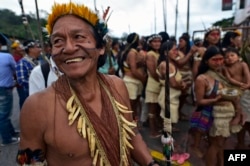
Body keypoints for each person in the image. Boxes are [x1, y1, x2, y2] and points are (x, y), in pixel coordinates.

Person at [16, 2, 159, 166]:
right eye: (57, 41)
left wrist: (150, 163)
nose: (68, 48)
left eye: (79, 37)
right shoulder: (36, 107)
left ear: (100, 48)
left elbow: (131, 133)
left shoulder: (117, 86)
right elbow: (26, 162)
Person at [190, 46, 242, 166]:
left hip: (227, 114)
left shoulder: (223, 73)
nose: (218, 62)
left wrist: (238, 111)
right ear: (206, 61)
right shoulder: (202, 78)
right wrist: (215, 99)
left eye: (220, 59)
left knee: (221, 145)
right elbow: (199, 101)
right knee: (216, 145)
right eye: (214, 59)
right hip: (215, 116)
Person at [223, 47, 250, 149]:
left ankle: (241, 143)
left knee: (247, 120)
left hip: (245, 93)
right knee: (240, 123)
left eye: (232, 55)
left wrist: (247, 84)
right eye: (226, 57)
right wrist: (242, 84)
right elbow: (229, 79)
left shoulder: (243, 64)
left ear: (238, 57)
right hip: (235, 93)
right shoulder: (226, 68)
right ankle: (240, 143)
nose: (229, 58)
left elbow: (248, 76)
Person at [157, 41, 187, 132]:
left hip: (171, 96)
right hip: (169, 96)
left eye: (177, 50)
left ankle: (168, 137)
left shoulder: (169, 63)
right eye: (174, 50)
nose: (176, 52)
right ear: (166, 52)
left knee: (168, 118)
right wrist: (182, 85)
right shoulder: (166, 65)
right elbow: (173, 84)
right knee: (168, 119)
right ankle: (167, 142)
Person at [0, 41, 19, 146]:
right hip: (4, 88)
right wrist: (16, 81)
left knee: (3, 113)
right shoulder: (7, 56)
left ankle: (11, 132)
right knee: (4, 114)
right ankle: (7, 139)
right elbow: (15, 70)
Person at [15, 40, 41, 109]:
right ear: (30, 49)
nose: (40, 49)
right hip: (28, 95)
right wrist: (38, 84)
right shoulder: (22, 63)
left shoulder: (39, 61)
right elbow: (21, 81)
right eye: (37, 47)